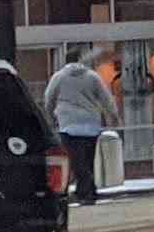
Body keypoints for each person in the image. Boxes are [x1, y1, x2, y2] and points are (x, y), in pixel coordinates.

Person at [42, 47, 119, 206]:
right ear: (81, 59)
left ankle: (86, 191)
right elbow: (106, 97)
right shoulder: (92, 77)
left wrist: (50, 117)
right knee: (88, 160)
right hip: (91, 124)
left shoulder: (58, 77)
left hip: (68, 125)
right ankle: (87, 190)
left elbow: (48, 98)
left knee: (76, 161)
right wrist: (114, 115)